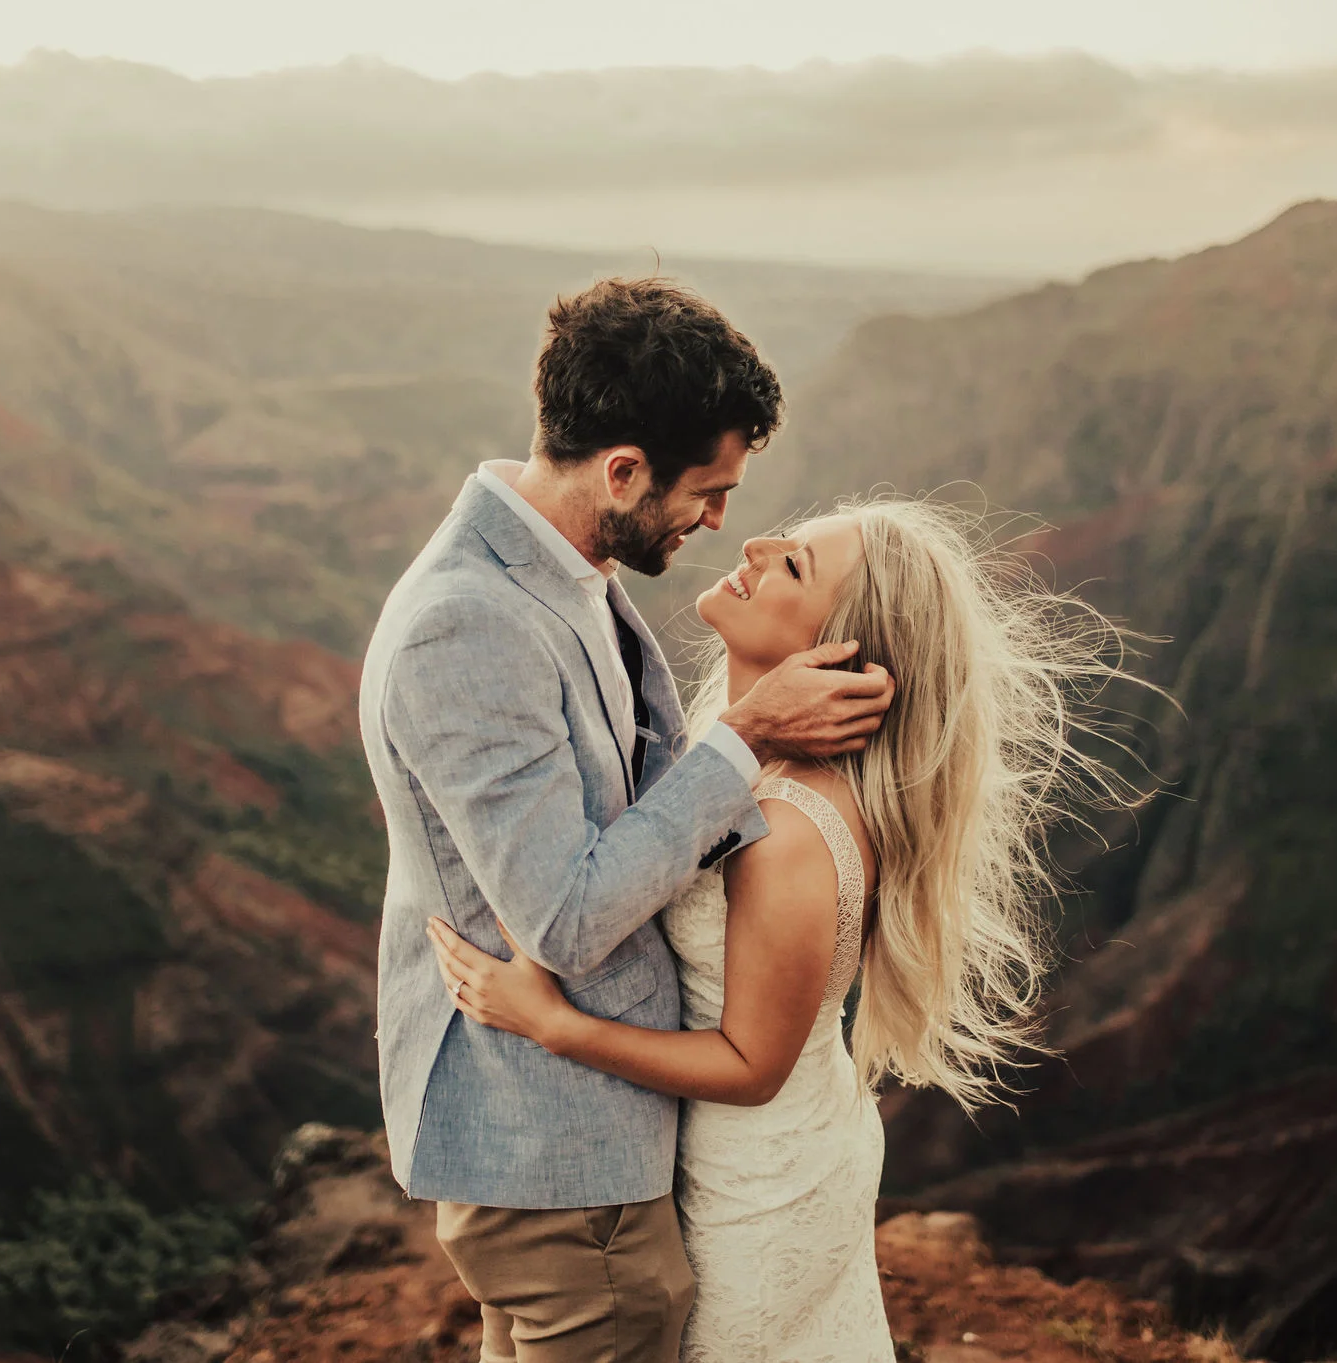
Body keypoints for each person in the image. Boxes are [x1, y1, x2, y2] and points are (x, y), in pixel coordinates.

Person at [430, 497, 1130, 1362]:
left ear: (835, 652)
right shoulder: (742, 764)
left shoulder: (790, 833)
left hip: (755, 1185)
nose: (757, 544)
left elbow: (751, 1065)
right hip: (742, 1151)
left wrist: (553, 1024)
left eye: (794, 563)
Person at [359, 276, 896, 1363]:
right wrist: (745, 737)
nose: (720, 523)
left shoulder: (562, 573)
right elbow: (564, 917)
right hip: (557, 1149)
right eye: (708, 490)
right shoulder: (468, 622)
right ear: (621, 470)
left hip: (594, 1150)